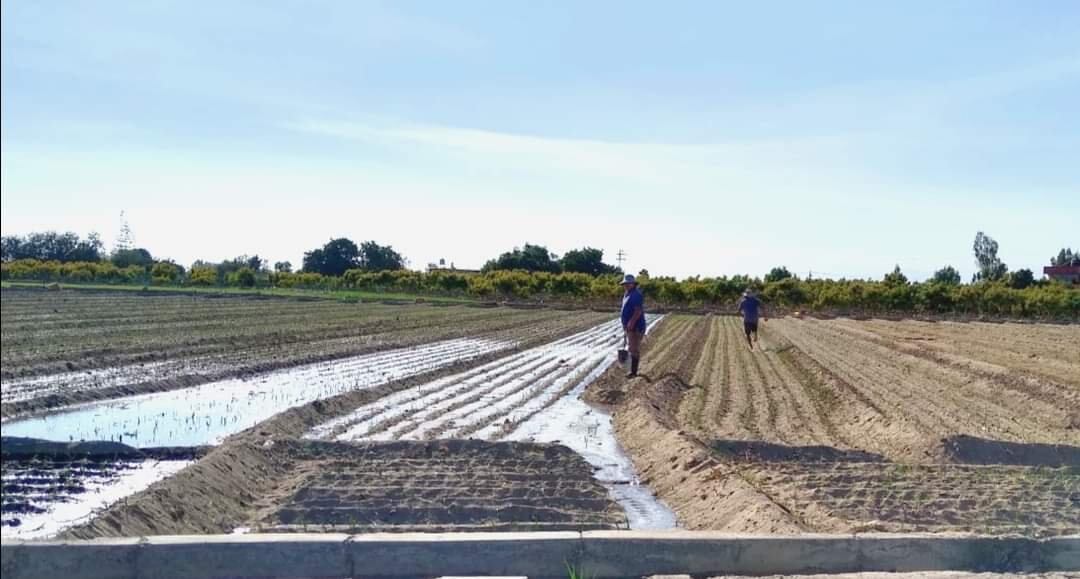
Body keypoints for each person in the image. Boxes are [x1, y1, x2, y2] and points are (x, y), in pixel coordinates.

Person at [620, 274, 646, 377]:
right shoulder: (627, 294)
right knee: (631, 347)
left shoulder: (636, 294)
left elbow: (638, 311)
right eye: (625, 284)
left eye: (628, 283)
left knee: (634, 348)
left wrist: (631, 322)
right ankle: (631, 370)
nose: (626, 285)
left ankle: (633, 372)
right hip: (630, 326)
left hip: (636, 327)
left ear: (633, 284)